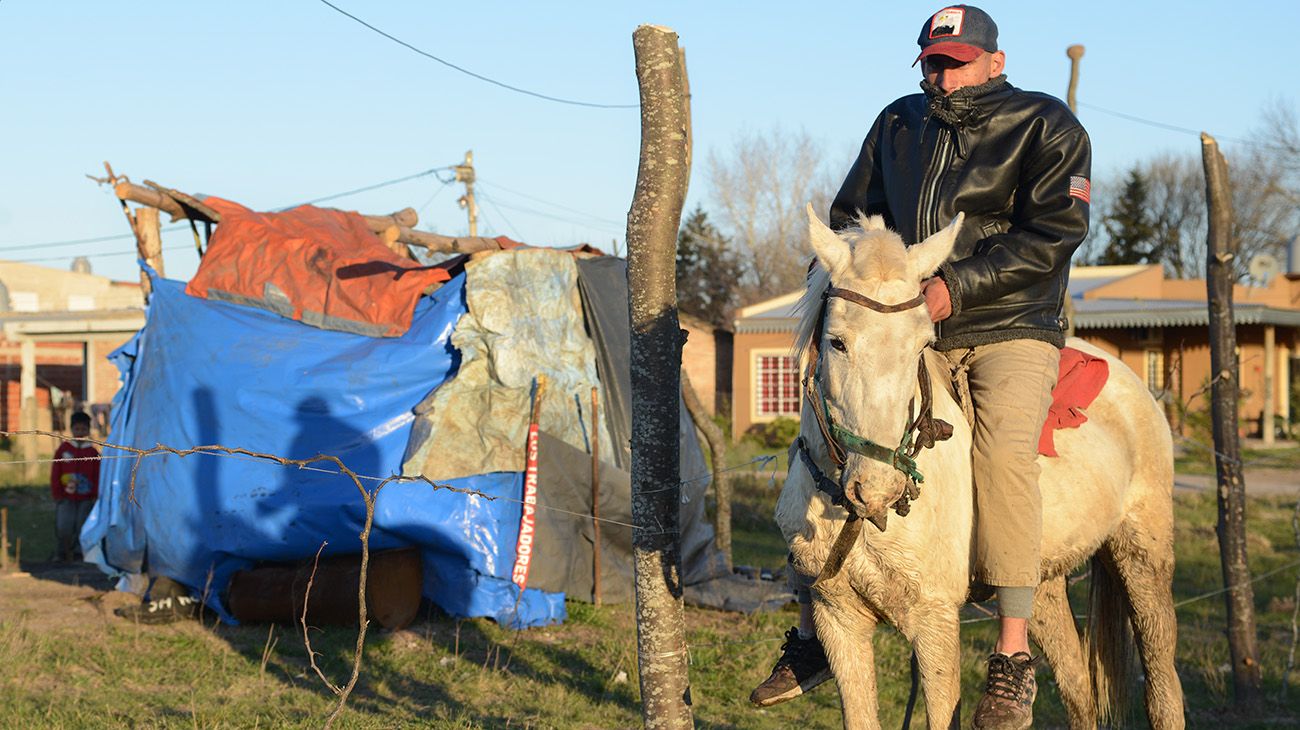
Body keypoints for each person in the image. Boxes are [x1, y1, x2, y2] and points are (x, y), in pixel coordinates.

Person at [749, 6, 1090, 729]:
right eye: (932, 61)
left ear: (995, 61)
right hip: (909, 320)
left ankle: (1010, 655)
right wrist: (857, 274)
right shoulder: (898, 123)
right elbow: (852, 211)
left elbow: (1056, 231)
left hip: (1007, 323)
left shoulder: (1046, 123)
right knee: (830, 422)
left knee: (1001, 458)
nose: (942, 74)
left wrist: (956, 286)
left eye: (958, 60)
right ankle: (813, 622)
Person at [50, 411, 100, 562]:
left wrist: (95, 494)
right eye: (77, 429)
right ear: (71, 429)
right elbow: (55, 472)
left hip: (86, 498)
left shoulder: (92, 452)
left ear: (88, 430)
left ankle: (79, 553)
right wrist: (57, 493)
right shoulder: (63, 450)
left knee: (82, 525)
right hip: (65, 497)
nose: (80, 433)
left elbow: (98, 475)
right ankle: (62, 552)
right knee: (64, 526)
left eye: (83, 429)